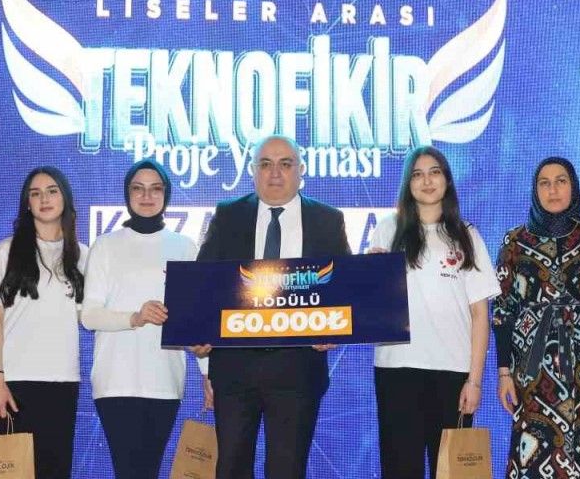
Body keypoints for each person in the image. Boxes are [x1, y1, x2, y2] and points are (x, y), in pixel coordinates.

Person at [194, 135, 350, 479]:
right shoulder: (228, 215)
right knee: (231, 469)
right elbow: (204, 282)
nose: (275, 173)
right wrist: (198, 337)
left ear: (301, 170)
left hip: (298, 369)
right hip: (234, 370)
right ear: (252, 171)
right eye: (265, 164)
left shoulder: (327, 219)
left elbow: (342, 290)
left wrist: (334, 331)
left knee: (287, 470)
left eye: (285, 164)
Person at [368, 146, 499, 479]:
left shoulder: (467, 236)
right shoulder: (387, 230)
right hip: (397, 369)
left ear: (447, 180)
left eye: (434, 172)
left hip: (452, 373)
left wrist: (474, 381)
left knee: (453, 473)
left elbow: (480, 316)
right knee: (400, 470)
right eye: (417, 174)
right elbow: (372, 306)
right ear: (408, 184)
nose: (426, 181)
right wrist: (369, 276)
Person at [492, 156, 580, 479]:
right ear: (535, 190)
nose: (552, 190)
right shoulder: (515, 241)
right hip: (534, 372)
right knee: (538, 449)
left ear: (574, 187)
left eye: (561, 181)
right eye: (544, 183)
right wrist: (504, 372)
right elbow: (502, 312)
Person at [81, 158, 207, 479]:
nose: (147, 196)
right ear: (127, 194)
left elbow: (198, 321)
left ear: (166, 194)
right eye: (138, 189)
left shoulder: (185, 247)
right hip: (115, 380)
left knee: (148, 471)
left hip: (165, 380)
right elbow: (89, 315)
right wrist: (135, 317)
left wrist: (209, 374)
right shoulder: (105, 246)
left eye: (155, 189)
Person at [0, 166, 86, 479]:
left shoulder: (83, 256)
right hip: (12, 385)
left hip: (62, 384)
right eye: (35, 194)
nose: (44, 199)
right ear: (27, 204)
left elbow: (92, 315)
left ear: (65, 198)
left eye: (52, 191)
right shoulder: (6, 251)